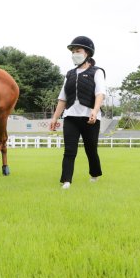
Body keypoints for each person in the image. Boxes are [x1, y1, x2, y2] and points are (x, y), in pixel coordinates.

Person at [49, 36, 106, 189]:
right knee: (69, 150)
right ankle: (66, 181)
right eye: (73, 52)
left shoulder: (97, 72)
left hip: (90, 118)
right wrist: (55, 118)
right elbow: (62, 99)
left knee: (91, 149)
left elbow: (100, 93)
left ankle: (94, 174)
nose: (75, 54)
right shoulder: (69, 74)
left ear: (87, 53)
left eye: (78, 51)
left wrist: (95, 110)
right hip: (70, 117)